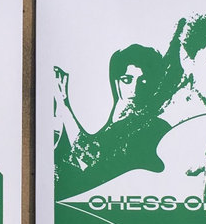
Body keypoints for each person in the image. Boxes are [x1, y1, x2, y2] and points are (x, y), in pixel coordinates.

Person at [53, 44, 169, 193]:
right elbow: (88, 150)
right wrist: (63, 102)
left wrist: (63, 104)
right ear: (116, 82)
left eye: (144, 81)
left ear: (154, 84)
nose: (135, 89)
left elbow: (90, 163)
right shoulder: (115, 124)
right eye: (127, 80)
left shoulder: (155, 127)